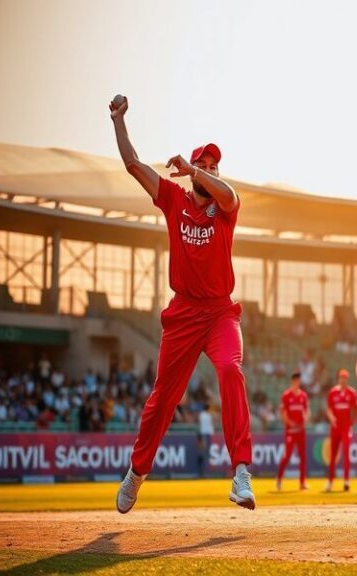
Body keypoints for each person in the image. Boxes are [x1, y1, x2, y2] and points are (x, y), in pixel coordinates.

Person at [110, 95, 254, 513]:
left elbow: (227, 195)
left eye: (213, 169)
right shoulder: (174, 200)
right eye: (202, 168)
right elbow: (134, 165)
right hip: (184, 314)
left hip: (221, 312)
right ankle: (137, 473)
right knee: (163, 400)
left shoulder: (225, 208)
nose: (209, 174)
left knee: (230, 368)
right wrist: (119, 122)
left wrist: (195, 171)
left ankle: (241, 471)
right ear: (190, 177)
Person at [326, 368, 357, 492]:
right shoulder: (333, 392)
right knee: (333, 455)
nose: (343, 380)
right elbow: (328, 408)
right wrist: (331, 418)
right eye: (341, 377)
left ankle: (346, 481)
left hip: (346, 427)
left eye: (345, 378)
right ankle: (330, 481)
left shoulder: (351, 393)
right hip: (335, 427)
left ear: (347, 379)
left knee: (346, 453)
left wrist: (352, 421)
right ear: (338, 379)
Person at [277, 372, 310, 490]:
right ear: (292, 381)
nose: (297, 383)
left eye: (299, 381)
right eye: (296, 381)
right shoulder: (286, 395)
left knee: (303, 456)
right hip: (290, 431)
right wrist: (291, 423)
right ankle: (279, 480)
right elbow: (282, 413)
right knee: (287, 455)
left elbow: (306, 411)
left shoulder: (303, 396)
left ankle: (302, 483)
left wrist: (305, 419)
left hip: (301, 431)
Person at [198, 403, 214, 477]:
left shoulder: (201, 415)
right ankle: (204, 471)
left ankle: (204, 471)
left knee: (205, 452)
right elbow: (210, 425)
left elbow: (200, 424)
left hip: (204, 433)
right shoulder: (208, 415)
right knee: (206, 452)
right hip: (207, 434)